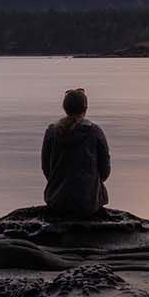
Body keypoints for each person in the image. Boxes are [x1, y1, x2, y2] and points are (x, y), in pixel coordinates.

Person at [41, 88, 111, 216]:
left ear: (65, 108)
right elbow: (105, 172)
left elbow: (46, 168)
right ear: (85, 108)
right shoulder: (95, 132)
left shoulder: (51, 132)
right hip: (88, 204)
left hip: (56, 201)